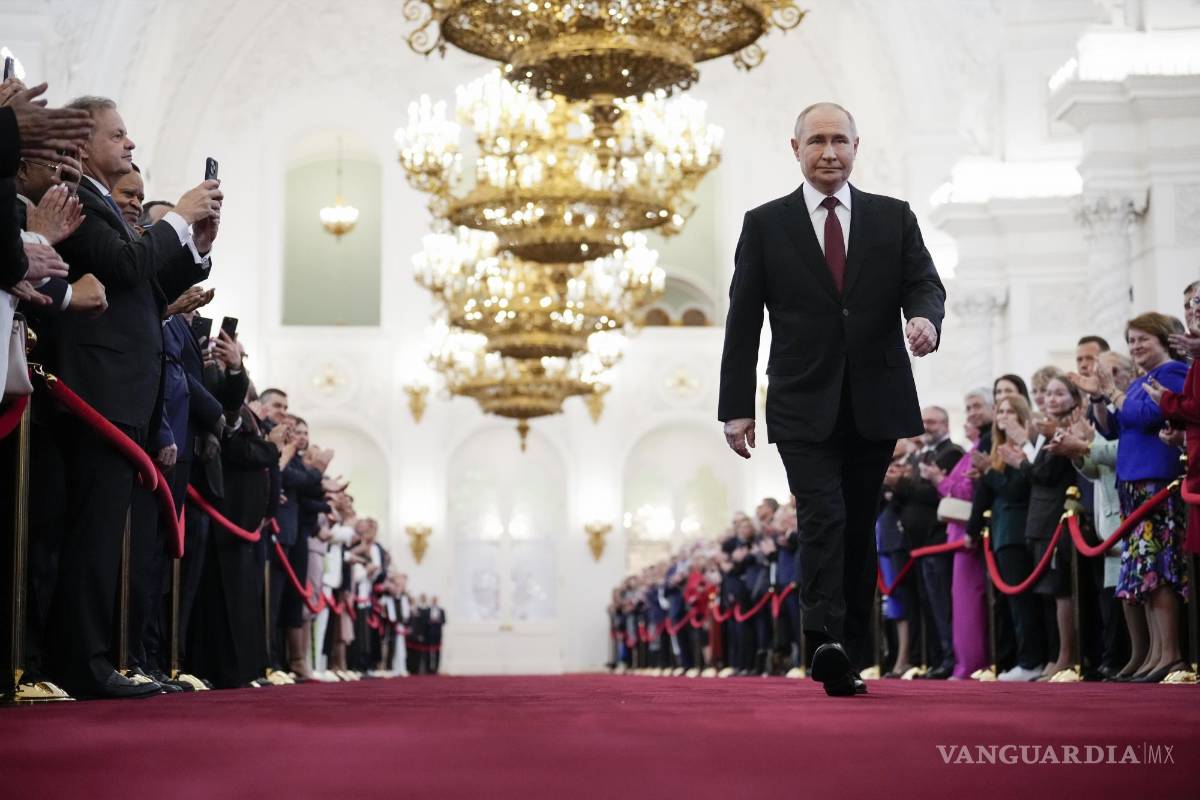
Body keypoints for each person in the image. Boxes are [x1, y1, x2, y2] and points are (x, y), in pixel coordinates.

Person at [718, 101, 946, 697]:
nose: (829, 151)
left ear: (855, 146)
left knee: (857, 527)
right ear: (795, 149)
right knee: (824, 516)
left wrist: (925, 318)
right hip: (800, 401)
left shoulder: (894, 218)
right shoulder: (765, 224)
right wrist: (736, 404)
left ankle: (849, 651)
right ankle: (823, 641)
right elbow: (743, 321)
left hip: (876, 398)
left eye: (839, 140)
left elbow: (924, 282)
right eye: (816, 140)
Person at [45, 95, 221, 698]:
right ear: (83, 141)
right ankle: (83, 664)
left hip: (123, 390)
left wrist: (192, 246)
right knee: (91, 536)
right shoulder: (77, 197)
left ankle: (100, 658)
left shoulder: (105, 205)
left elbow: (143, 290)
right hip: (96, 387)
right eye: (118, 134)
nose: (130, 143)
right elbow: (122, 267)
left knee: (106, 535)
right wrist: (176, 219)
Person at [1075, 312, 1189, 681]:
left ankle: (1170, 654)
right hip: (1134, 483)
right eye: (1132, 340)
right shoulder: (1143, 380)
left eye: (1143, 340)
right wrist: (1098, 398)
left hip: (1157, 481)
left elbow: (1145, 416)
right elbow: (1114, 425)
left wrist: (1112, 390)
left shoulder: (1172, 373)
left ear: (1164, 341)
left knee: (1159, 571)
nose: (1136, 346)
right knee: (1144, 574)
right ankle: (1155, 655)